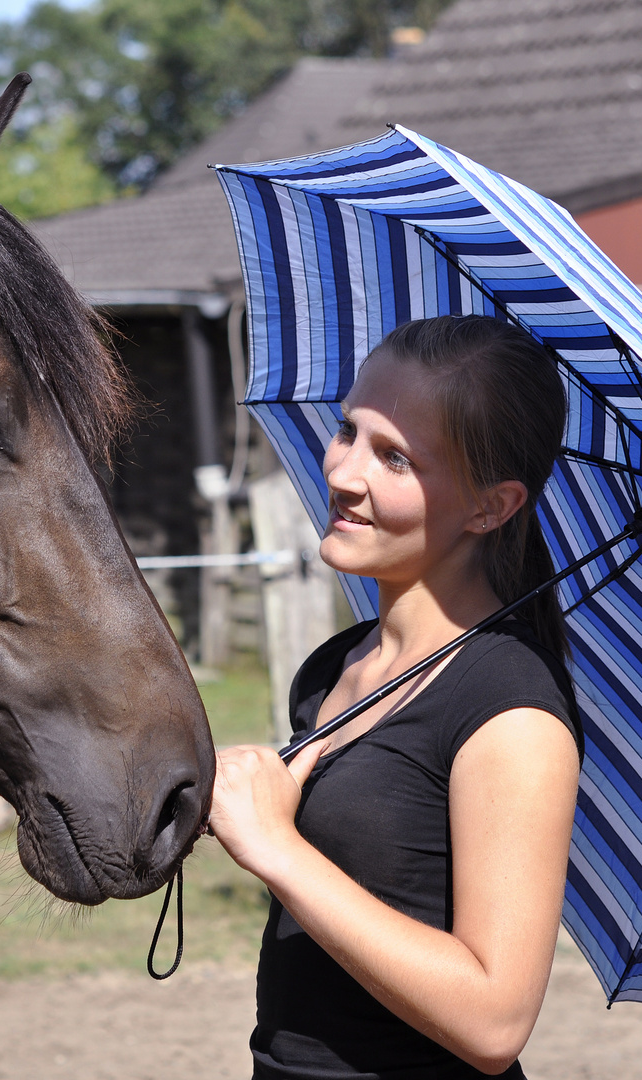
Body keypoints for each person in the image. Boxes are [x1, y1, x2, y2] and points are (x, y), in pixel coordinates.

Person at [208, 315, 582, 1080]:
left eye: (396, 458)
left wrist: (277, 849)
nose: (344, 473)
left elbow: (494, 1020)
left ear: (491, 506)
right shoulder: (333, 671)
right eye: (348, 430)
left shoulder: (511, 714)